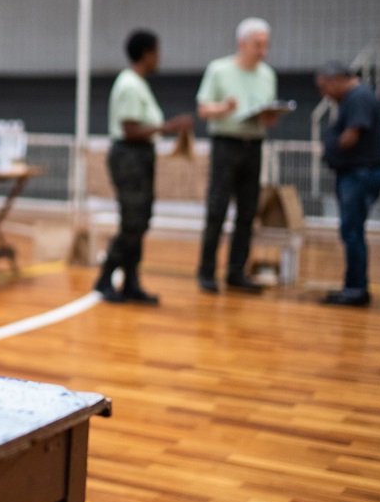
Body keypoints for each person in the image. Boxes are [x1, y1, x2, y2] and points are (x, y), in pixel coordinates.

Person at [93, 30, 193, 305]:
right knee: (133, 222)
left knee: (141, 219)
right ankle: (105, 278)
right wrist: (169, 126)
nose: (159, 58)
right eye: (157, 52)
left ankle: (131, 283)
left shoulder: (138, 83)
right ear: (146, 53)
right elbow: (129, 128)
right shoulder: (129, 85)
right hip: (130, 157)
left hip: (140, 156)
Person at [195, 17, 280, 294]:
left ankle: (236, 272)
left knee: (247, 212)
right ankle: (207, 272)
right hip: (225, 145)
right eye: (257, 44)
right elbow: (204, 109)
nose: (262, 51)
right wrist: (224, 108)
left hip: (253, 146)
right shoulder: (219, 70)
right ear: (242, 43)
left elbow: (268, 115)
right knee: (217, 209)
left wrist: (269, 116)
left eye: (265, 45)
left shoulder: (267, 74)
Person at [315, 61, 380, 307]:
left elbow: (351, 136)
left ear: (336, 80)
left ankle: (355, 289)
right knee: (352, 231)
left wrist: (333, 147)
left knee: (353, 231)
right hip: (358, 174)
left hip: (359, 175)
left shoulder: (358, 98)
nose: (324, 93)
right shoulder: (356, 97)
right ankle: (352, 286)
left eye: (325, 87)